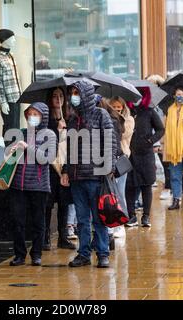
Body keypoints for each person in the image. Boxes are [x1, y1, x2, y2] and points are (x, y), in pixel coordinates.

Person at [61, 80, 117, 268]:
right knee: (82, 219)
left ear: (84, 95)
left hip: (96, 177)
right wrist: (66, 170)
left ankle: (102, 253)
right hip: (77, 178)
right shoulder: (72, 119)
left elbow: (110, 143)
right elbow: (70, 148)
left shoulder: (101, 115)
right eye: (72, 94)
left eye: (76, 93)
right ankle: (84, 253)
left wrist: (108, 168)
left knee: (99, 218)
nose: (73, 97)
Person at [9, 102, 56, 267]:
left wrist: (28, 147)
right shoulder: (20, 133)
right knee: (17, 221)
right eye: (30, 114)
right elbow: (11, 159)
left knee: (38, 221)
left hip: (38, 185)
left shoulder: (49, 135)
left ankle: (36, 253)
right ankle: (19, 254)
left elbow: (47, 158)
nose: (32, 117)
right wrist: (11, 151)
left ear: (43, 117)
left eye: (36, 114)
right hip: (18, 185)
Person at [125, 87, 164, 227]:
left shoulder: (149, 111)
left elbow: (161, 129)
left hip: (146, 155)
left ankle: (146, 216)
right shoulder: (127, 111)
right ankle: (131, 216)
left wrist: (150, 140)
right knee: (129, 186)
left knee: (146, 186)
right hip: (130, 155)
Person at [44, 87, 76, 250]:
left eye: (61, 96)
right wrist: (56, 132)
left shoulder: (70, 118)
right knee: (48, 204)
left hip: (64, 167)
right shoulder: (46, 121)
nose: (58, 99)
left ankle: (63, 237)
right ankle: (45, 237)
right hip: (49, 167)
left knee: (64, 202)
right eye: (55, 96)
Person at [97, 96, 125, 240]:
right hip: (103, 165)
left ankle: (118, 226)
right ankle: (111, 229)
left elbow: (114, 145)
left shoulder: (112, 122)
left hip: (112, 165)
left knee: (115, 195)